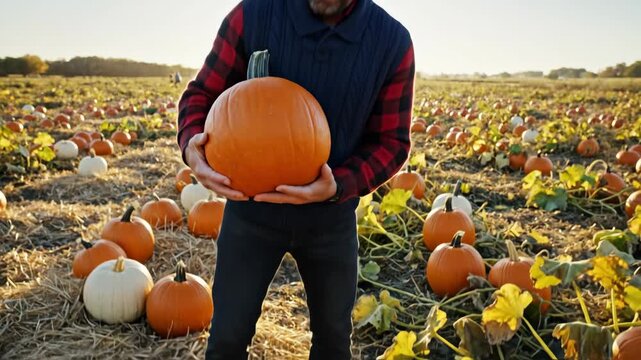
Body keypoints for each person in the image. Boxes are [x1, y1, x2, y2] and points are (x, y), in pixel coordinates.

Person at [176, 0, 414, 359]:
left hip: (330, 217)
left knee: (333, 341)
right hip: (250, 211)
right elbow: (201, 96)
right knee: (226, 339)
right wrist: (193, 146)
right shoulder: (253, 14)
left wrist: (340, 184)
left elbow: (391, 143)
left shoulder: (391, 41)